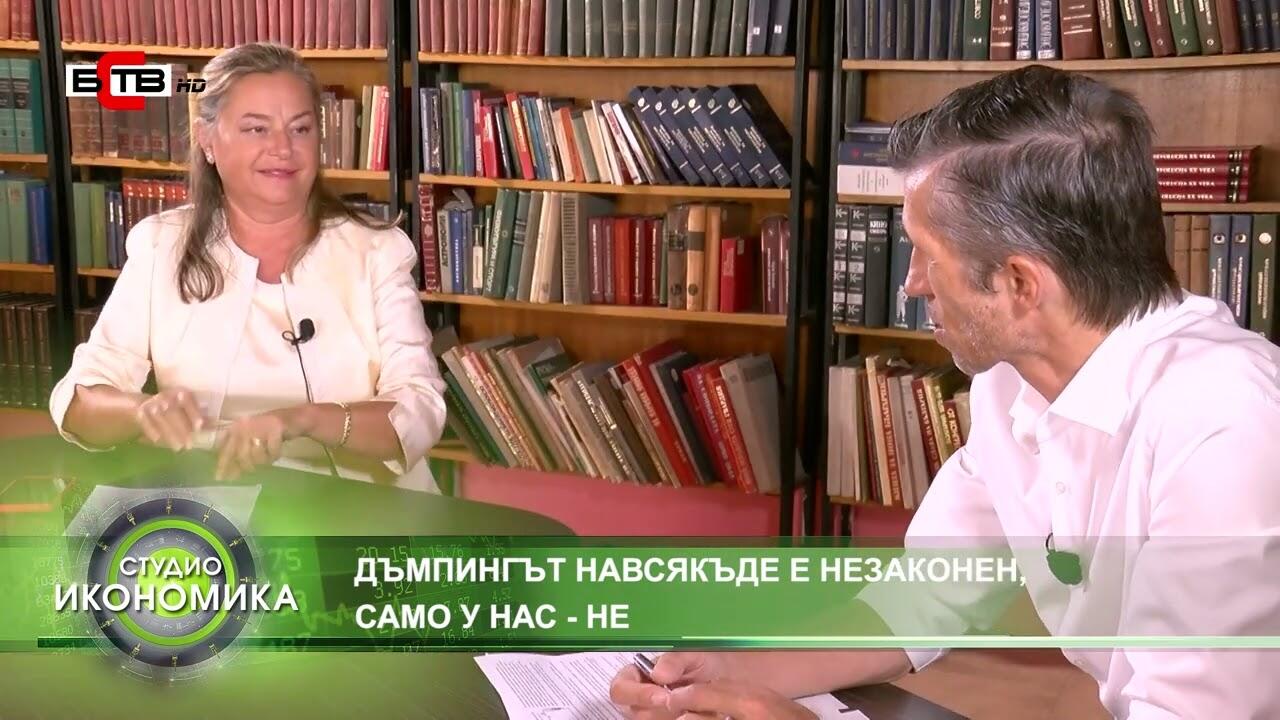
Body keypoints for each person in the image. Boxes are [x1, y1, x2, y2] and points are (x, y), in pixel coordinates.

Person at [611, 66, 1280, 718]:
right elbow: (926, 595)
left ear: (1020, 285)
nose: (910, 283)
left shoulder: (1226, 425)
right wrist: (734, 672)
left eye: (926, 253)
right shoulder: (1010, 382)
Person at [50, 43, 448, 492]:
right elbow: (78, 401)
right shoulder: (161, 246)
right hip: (210, 505)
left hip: (364, 506)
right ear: (207, 140)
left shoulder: (377, 251)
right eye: (257, 128)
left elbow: (420, 408)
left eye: (300, 128)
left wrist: (302, 420)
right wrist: (141, 411)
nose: (283, 148)